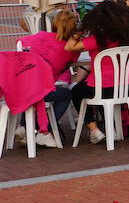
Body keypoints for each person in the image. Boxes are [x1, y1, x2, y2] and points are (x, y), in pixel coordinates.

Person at [70, 0, 129, 146]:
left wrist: (80, 31)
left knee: (77, 91)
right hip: (125, 87)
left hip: (102, 88)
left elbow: (70, 46)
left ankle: (94, 129)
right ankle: (114, 128)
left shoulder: (97, 40)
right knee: (105, 96)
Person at [17, 9, 85, 147]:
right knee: (66, 94)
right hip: (39, 90)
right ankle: (44, 131)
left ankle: (24, 126)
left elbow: (20, 43)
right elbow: (68, 65)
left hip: (19, 87)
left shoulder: (40, 35)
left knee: (40, 89)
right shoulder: (69, 50)